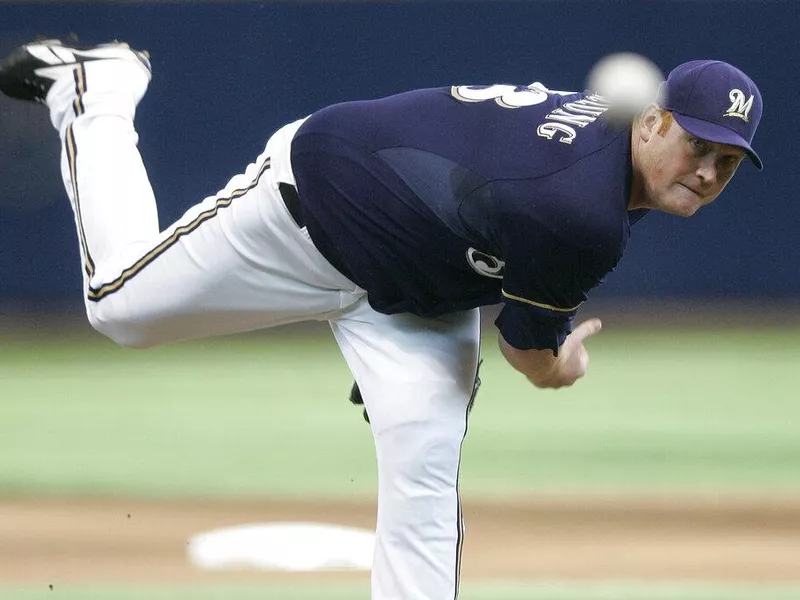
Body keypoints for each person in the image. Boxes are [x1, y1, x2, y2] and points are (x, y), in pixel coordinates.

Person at [0, 39, 762, 599]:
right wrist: (564, 361)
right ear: (655, 122)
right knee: (119, 308)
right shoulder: (581, 212)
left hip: (423, 289)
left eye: (727, 162)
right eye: (699, 144)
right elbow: (530, 354)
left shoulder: (617, 172)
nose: (707, 171)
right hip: (310, 214)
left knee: (424, 479)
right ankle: (98, 91)